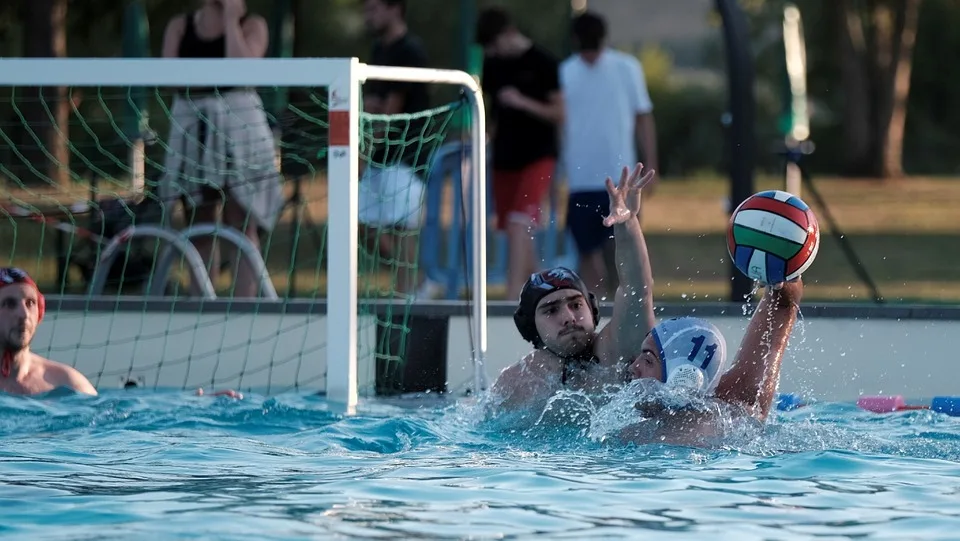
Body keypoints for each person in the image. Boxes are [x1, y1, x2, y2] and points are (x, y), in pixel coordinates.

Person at [489, 163, 656, 416]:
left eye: (576, 304)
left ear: (592, 309)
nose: (568, 317)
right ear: (531, 327)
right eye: (551, 310)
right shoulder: (518, 383)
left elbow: (637, 289)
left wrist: (627, 222)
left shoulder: (614, 353)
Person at [160, 0, 283, 298]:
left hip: (239, 133)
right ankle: (202, 301)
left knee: (241, 223)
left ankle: (245, 305)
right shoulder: (180, 26)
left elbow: (242, 72)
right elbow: (167, 78)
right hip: (194, 132)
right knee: (199, 222)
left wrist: (230, 18)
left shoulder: (252, 26)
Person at [619, 280, 803, 446]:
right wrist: (780, 278)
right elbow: (782, 307)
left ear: (683, 377)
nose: (633, 368)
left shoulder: (640, 439)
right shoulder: (740, 411)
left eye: (648, 360)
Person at [560, 11, 660, 296]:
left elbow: (644, 118)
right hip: (581, 179)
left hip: (621, 180)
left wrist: (652, 164)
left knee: (626, 253)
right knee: (586, 254)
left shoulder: (627, 68)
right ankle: (597, 309)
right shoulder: (566, 72)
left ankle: (630, 307)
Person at [477, 7, 564, 299]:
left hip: (538, 155)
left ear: (508, 34)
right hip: (504, 158)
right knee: (515, 230)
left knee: (519, 223)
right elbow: (493, 113)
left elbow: (559, 113)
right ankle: (545, 294)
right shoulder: (493, 64)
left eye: (495, 45)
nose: (494, 52)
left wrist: (523, 102)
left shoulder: (544, 63)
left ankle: (513, 299)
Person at [359, 0, 443, 299]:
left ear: (395, 9)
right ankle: (418, 282)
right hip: (380, 159)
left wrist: (361, 157)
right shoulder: (379, 51)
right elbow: (373, 106)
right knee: (362, 227)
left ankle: (409, 296)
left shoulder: (409, 52)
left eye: (374, 8)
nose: (368, 15)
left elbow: (388, 113)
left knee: (402, 229)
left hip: (406, 159)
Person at [0, 268, 98, 396]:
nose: (24, 314)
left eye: (30, 303)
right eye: (9, 304)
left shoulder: (68, 383)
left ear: (39, 313)